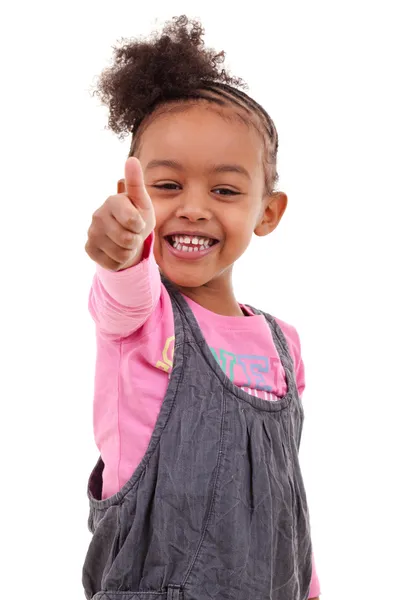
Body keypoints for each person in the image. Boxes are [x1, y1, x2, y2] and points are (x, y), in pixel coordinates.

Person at [83, 15, 321, 600]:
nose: (192, 208)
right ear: (132, 199)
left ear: (267, 212)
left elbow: (287, 491)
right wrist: (120, 247)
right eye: (166, 186)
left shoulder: (282, 345)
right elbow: (122, 282)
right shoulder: (138, 315)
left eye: (224, 189)